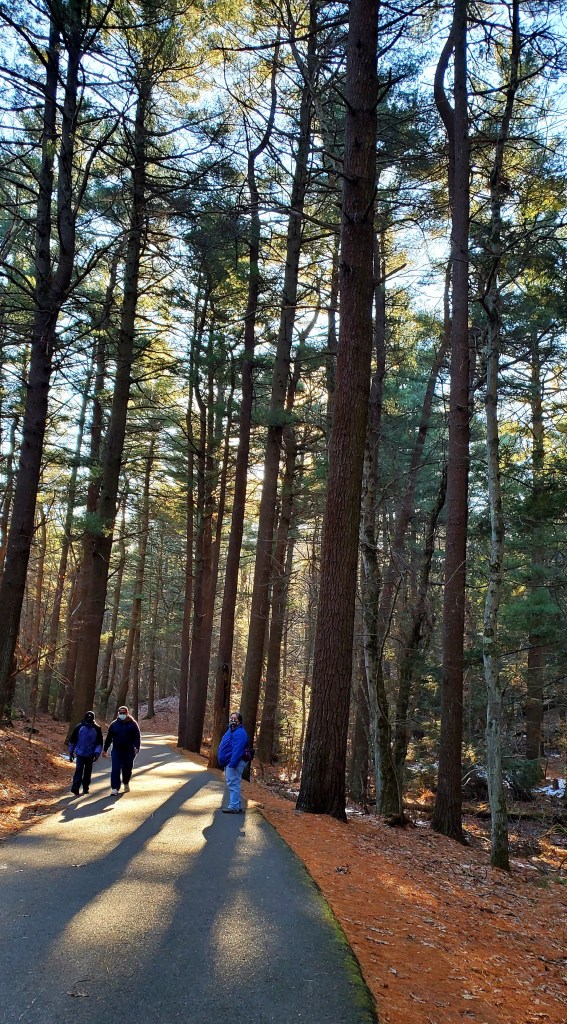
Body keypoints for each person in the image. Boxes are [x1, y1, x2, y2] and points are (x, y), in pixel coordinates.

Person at [102, 706, 141, 795]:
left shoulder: (133, 724)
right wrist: (105, 749)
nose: (122, 715)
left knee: (127, 769)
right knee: (115, 769)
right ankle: (115, 788)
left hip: (129, 751)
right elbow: (109, 738)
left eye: (124, 713)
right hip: (117, 750)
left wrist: (137, 747)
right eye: (120, 713)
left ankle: (126, 782)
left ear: (127, 713)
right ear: (118, 714)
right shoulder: (114, 725)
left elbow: (137, 737)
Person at [217, 711, 249, 813]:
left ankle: (234, 806)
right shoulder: (231, 730)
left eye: (235, 718)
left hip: (235, 762)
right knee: (234, 783)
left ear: (240, 721)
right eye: (231, 718)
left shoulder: (240, 733)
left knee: (233, 783)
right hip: (229, 761)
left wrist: (232, 764)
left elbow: (238, 750)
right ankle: (236, 804)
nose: (233, 720)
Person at [68, 711, 103, 796]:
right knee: (79, 770)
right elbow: (73, 740)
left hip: (90, 754)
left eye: (90, 719)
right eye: (87, 718)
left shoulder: (97, 728)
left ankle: (85, 787)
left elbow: (99, 743)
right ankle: (75, 788)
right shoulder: (79, 727)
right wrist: (71, 752)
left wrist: (97, 753)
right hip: (80, 753)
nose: (88, 720)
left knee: (88, 771)